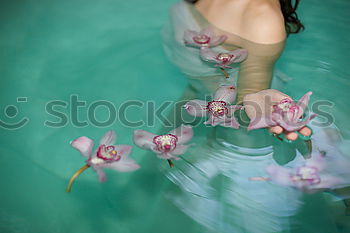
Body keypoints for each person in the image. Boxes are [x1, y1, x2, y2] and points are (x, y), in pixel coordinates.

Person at [161, 0, 350, 232]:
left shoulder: (263, 19)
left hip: (233, 113)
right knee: (156, 170)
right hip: (200, 92)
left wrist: (254, 104)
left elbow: (249, 95)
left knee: (248, 206)